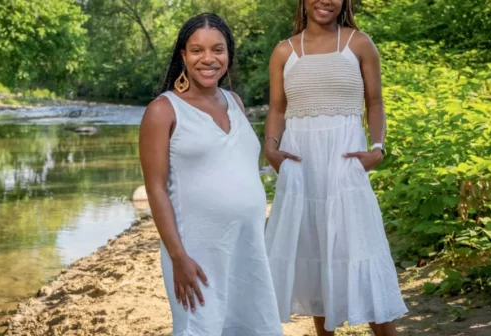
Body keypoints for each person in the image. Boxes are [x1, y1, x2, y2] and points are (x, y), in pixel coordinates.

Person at [263, 1, 408, 335]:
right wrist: (270, 146)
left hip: (346, 166)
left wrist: (378, 148)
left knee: (362, 249)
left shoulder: (359, 43)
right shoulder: (284, 51)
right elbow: (276, 108)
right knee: (315, 255)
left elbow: (375, 102)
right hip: (302, 169)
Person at [138, 12, 283, 336]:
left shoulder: (236, 102)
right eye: (197, 50)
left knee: (253, 326)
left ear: (228, 54)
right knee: (202, 328)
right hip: (196, 252)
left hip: (248, 248)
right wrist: (178, 257)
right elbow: (156, 190)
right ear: (183, 56)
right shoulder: (163, 111)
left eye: (217, 49)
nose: (208, 59)